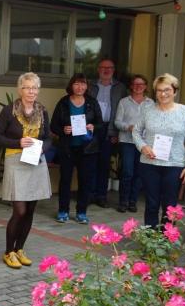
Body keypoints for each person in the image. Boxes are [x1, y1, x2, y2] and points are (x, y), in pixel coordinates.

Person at [0, 73, 51, 269]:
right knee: (20, 210)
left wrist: (43, 147)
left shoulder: (43, 112)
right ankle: (9, 251)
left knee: (31, 209)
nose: (31, 91)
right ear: (20, 89)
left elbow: (50, 138)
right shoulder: (9, 111)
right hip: (16, 161)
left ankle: (20, 249)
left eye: (34, 87)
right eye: (27, 87)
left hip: (36, 161)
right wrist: (17, 142)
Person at [132, 73, 185, 228]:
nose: (163, 93)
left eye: (167, 89)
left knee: (170, 205)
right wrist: (143, 146)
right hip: (149, 164)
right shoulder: (148, 110)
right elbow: (136, 131)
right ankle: (150, 238)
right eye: (159, 90)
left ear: (175, 91)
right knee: (151, 203)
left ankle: (167, 237)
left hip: (174, 165)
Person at [50, 73, 103, 225]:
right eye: (77, 84)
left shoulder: (92, 102)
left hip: (88, 149)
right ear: (71, 86)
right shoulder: (64, 102)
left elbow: (101, 124)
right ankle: (63, 211)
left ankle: (81, 212)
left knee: (85, 181)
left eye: (83, 84)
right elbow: (54, 125)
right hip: (67, 147)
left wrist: (93, 126)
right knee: (65, 180)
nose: (80, 87)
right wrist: (63, 130)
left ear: (87, 86)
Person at [87, 58, 127, 208]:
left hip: (109, 129)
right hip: (92, 128)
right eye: (103, 67)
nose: (106, 70)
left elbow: (123, 111)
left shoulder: (120, 87)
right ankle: (89, 194)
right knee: (90, 161)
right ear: (98, 69)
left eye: (109, 67)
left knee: (104, 163)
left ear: (114, 70)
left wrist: (116, 132)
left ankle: (101, 195)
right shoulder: (90, 86)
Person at [113, 74, 154, 213]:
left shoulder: (151, 103)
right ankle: (123, 201)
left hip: (143, 143)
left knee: (139, 173)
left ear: (146, 87)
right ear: (131, 86)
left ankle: (133, 202)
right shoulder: (124, 102)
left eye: (141, 84)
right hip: (127, 142)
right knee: (127, 172)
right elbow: (117, 122)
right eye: (135, 84)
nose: (138, 86)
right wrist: (128, 127)